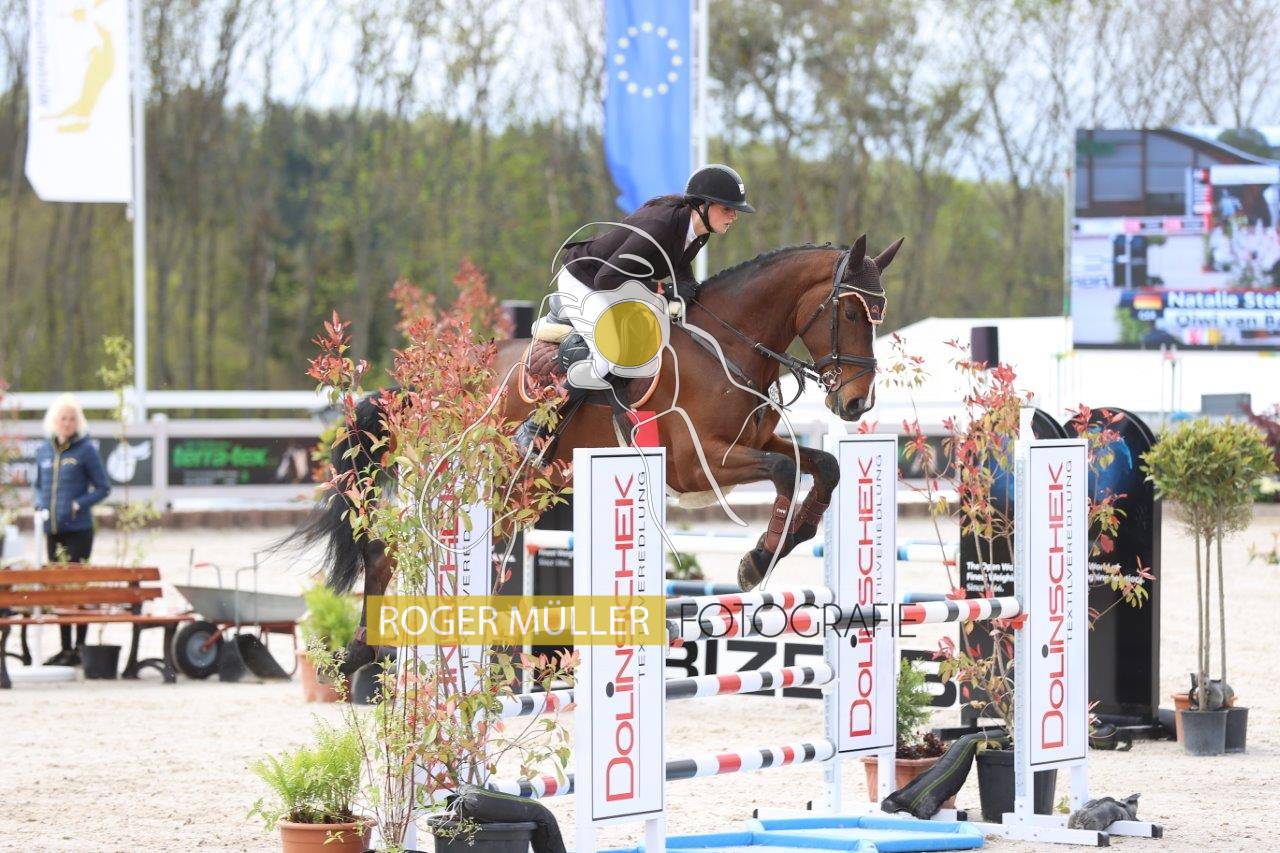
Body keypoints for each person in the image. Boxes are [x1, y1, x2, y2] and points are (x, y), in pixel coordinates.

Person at [514, 164, 755, 453]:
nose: (733, 216)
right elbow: (607, 278)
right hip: (586, 281)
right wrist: (663, 290)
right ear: (703, 205)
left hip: (617, 284)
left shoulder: (698, 232)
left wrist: (691, 295)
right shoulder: (660, 226)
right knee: (610, 357)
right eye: (728, 209)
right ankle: (536, 424)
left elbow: (680, 270)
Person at [32, 394, 111, 666]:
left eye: (71, 418)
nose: (67, 423)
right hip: (52, 529)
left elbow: (103, 487)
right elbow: (38, 486)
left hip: (78, 529)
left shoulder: (86, 450)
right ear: (54, 421)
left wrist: (79, 504)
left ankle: (80, 647)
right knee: (59, 589)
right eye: (62, 418)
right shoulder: (44, 450)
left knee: (77, 587)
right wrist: (38, 505)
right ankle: (65, 648)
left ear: (78, 422)